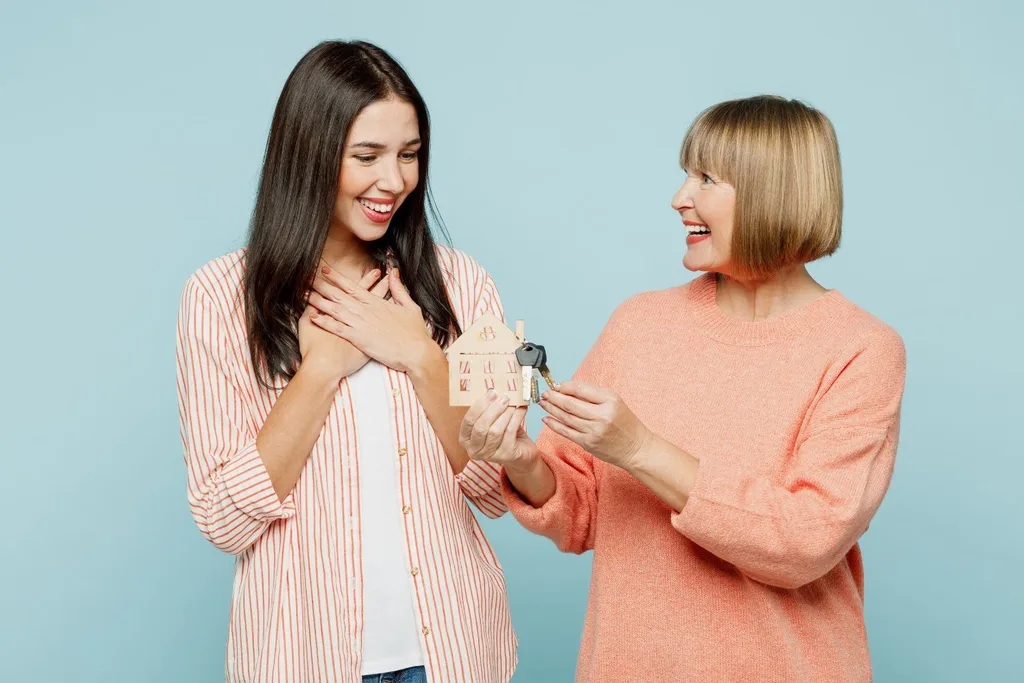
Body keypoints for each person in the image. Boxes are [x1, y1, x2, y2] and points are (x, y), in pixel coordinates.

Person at [461, 95, 906, 682]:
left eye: (706, 178)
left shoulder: (861, 350)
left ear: (774, 191)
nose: (679, 198)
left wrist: (639, 449)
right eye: (684, 174)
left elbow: (805, 539)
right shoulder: (639, 323)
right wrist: (520, 459)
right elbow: (581, 513)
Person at [176, 40, 516, 683]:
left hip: (454, 654)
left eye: (410, 155)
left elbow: (507, 488)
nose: (395, 181)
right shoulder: (217, 297)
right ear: (308, 155)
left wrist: (420, 355)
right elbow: (222, 517)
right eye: (367, 156)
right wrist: (321, 369)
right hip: (299, 657)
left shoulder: (466, 285)